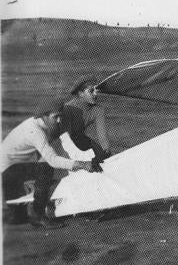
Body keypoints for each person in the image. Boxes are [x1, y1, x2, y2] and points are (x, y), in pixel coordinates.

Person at [2, 98, 96, 228]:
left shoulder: (38, 124)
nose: (58, 120)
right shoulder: (35, 132)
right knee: (46, 169)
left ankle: (39, 200)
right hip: (7, 172)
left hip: (12, 167)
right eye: (55, 117)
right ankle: (38, 216)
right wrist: (82, 164)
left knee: (46, 166)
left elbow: (44, 153)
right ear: (44, 116)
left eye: (60, 116)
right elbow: (52, 160)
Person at [62, 75, 113, 164]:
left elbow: (102, 136)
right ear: (81, 94)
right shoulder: (67, 109)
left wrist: (107, 151)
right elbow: (64, 139)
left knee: (104, 156)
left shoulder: (98, 110)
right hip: (61, 140)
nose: (95, 94)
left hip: (79, 138)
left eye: (96, 90)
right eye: (91, 91)